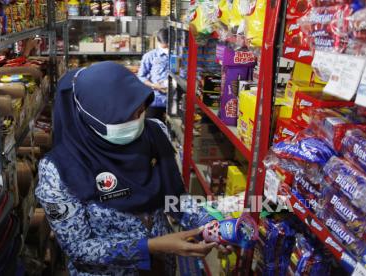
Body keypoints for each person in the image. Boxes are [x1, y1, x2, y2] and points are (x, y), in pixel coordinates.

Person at [36, 62, 230, 275]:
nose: (136, 122)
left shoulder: (154, 133)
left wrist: (210, 225)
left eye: (140, 111)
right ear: (92, 118)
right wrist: (152, 246)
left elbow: (175, 198)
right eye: (124, 117)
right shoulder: (58, 170)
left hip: (161, 267)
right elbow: (79, 248)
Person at [138, 28, 169, 122]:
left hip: (175, 101)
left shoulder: (178, 55)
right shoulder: (150, 56)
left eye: (168, 46)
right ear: (158, 41)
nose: (167, 49)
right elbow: (141, 76)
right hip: (156, 101)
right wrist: (153, 85)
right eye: (164, 47)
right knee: (153, 128)